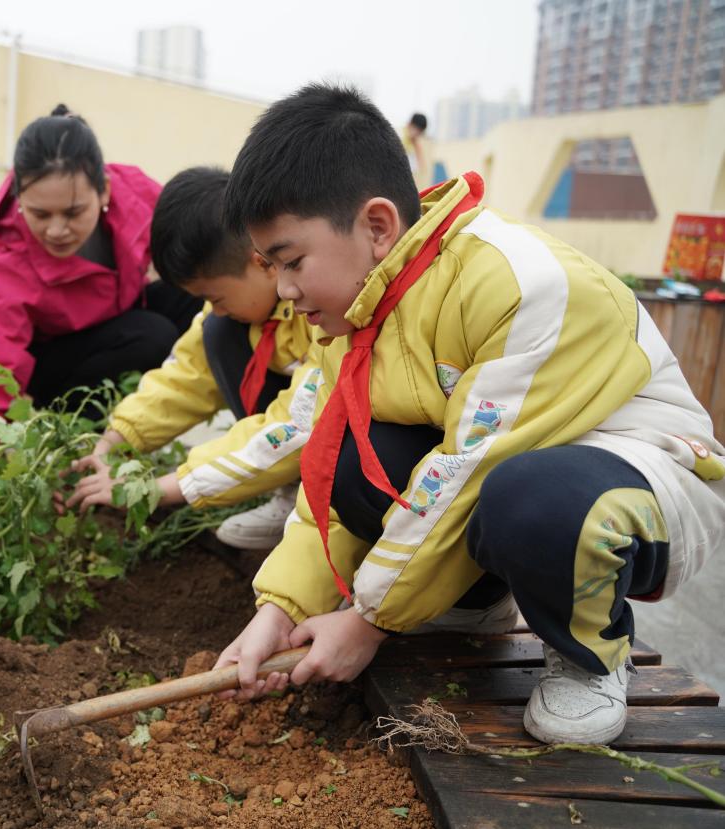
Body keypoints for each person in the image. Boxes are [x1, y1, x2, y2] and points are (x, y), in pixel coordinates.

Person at [211, 83, 725, 746]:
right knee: (347, 453)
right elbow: (328, 484)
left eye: (291, 262)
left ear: (375, 226)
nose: (282, 290)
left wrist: (367, 620)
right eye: (270, 266)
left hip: (642, 470)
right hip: (504, 468)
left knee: (526, 498)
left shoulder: (517, 281)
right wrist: (278, 608)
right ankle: (474, 604)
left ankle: (591, 653)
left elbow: (467, 470)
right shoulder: (361, 314)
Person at [69, 166, 313, 550]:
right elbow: (185, 378)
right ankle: (291, 492)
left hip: (370, 438)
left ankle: (319, 510)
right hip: (309, 422)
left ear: (262, 262)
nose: (213, 308)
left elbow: (300, 423)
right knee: (216, 333)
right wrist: (115, 440)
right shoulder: (242, 311)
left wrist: (163, 487)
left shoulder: (321, 306)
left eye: (215, 297)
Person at [0, 105, 201, 422]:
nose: (56, 231)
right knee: (150, 336)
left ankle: (253, 428)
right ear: (19, 201)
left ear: (104, 191)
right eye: (40, 214)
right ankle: (83, 435)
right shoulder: (8, 262)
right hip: (62, 369)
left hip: (121, 325)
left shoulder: (133, 194)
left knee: (197, 294)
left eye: (73, 212)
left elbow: (201, 238)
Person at [403, 112, 431, 190]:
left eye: (420, 132)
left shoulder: (415, 145)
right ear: (410, 124)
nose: (418, 135)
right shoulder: (398, 136)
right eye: (417, 130)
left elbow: (420, 168)